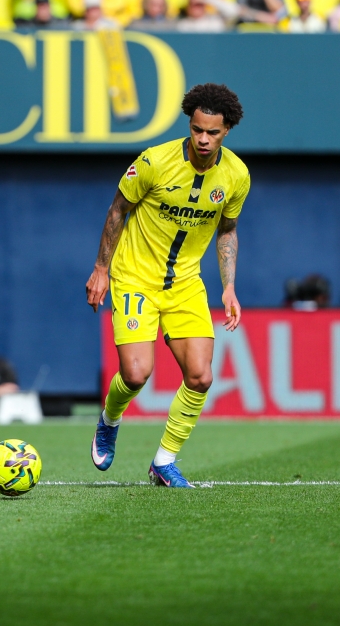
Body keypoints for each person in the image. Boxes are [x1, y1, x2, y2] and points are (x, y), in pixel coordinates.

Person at [87, 84, 250, 488]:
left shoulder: (236, 175)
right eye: (197, 130)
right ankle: (110, 419)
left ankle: (164, 461)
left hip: (186, 285)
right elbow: (117, 210)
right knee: (137, 374)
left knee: (200, 377)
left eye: (212, 132)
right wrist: (101, 269)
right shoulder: (154, 161)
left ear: (227, 130)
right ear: (190, 125)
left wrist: (229, 287)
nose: (204, 139)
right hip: (136, 278)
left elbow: (227, 231)